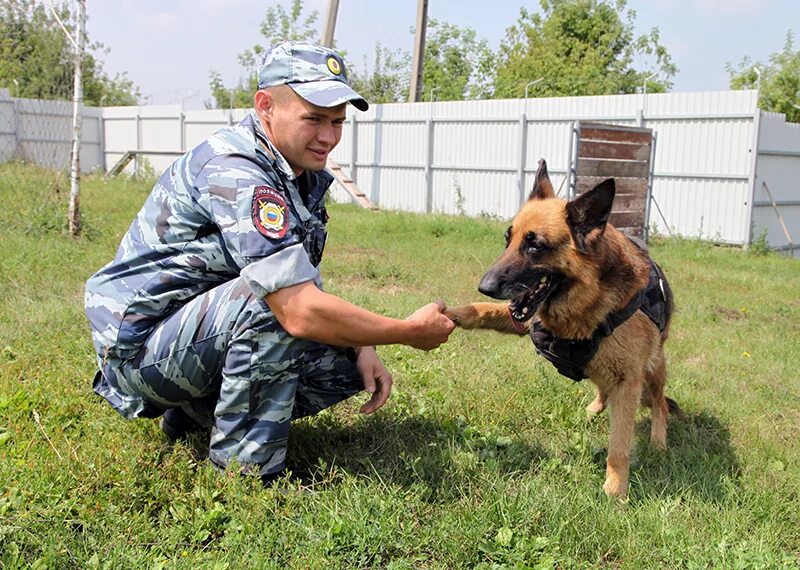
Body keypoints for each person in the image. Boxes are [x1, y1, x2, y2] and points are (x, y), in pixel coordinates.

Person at [84, 41, 455, 482]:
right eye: (314, 118)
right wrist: (409, 332)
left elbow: (302, 279)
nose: (329, 136)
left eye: (337, 121)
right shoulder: (235, 167)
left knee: (343, 355)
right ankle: (247, 476)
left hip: (189, 334)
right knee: (274, 308)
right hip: (137, 352)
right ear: (266, 106)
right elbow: (295, 307)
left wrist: (364, 345)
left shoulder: (301, 174)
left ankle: (194, 412)